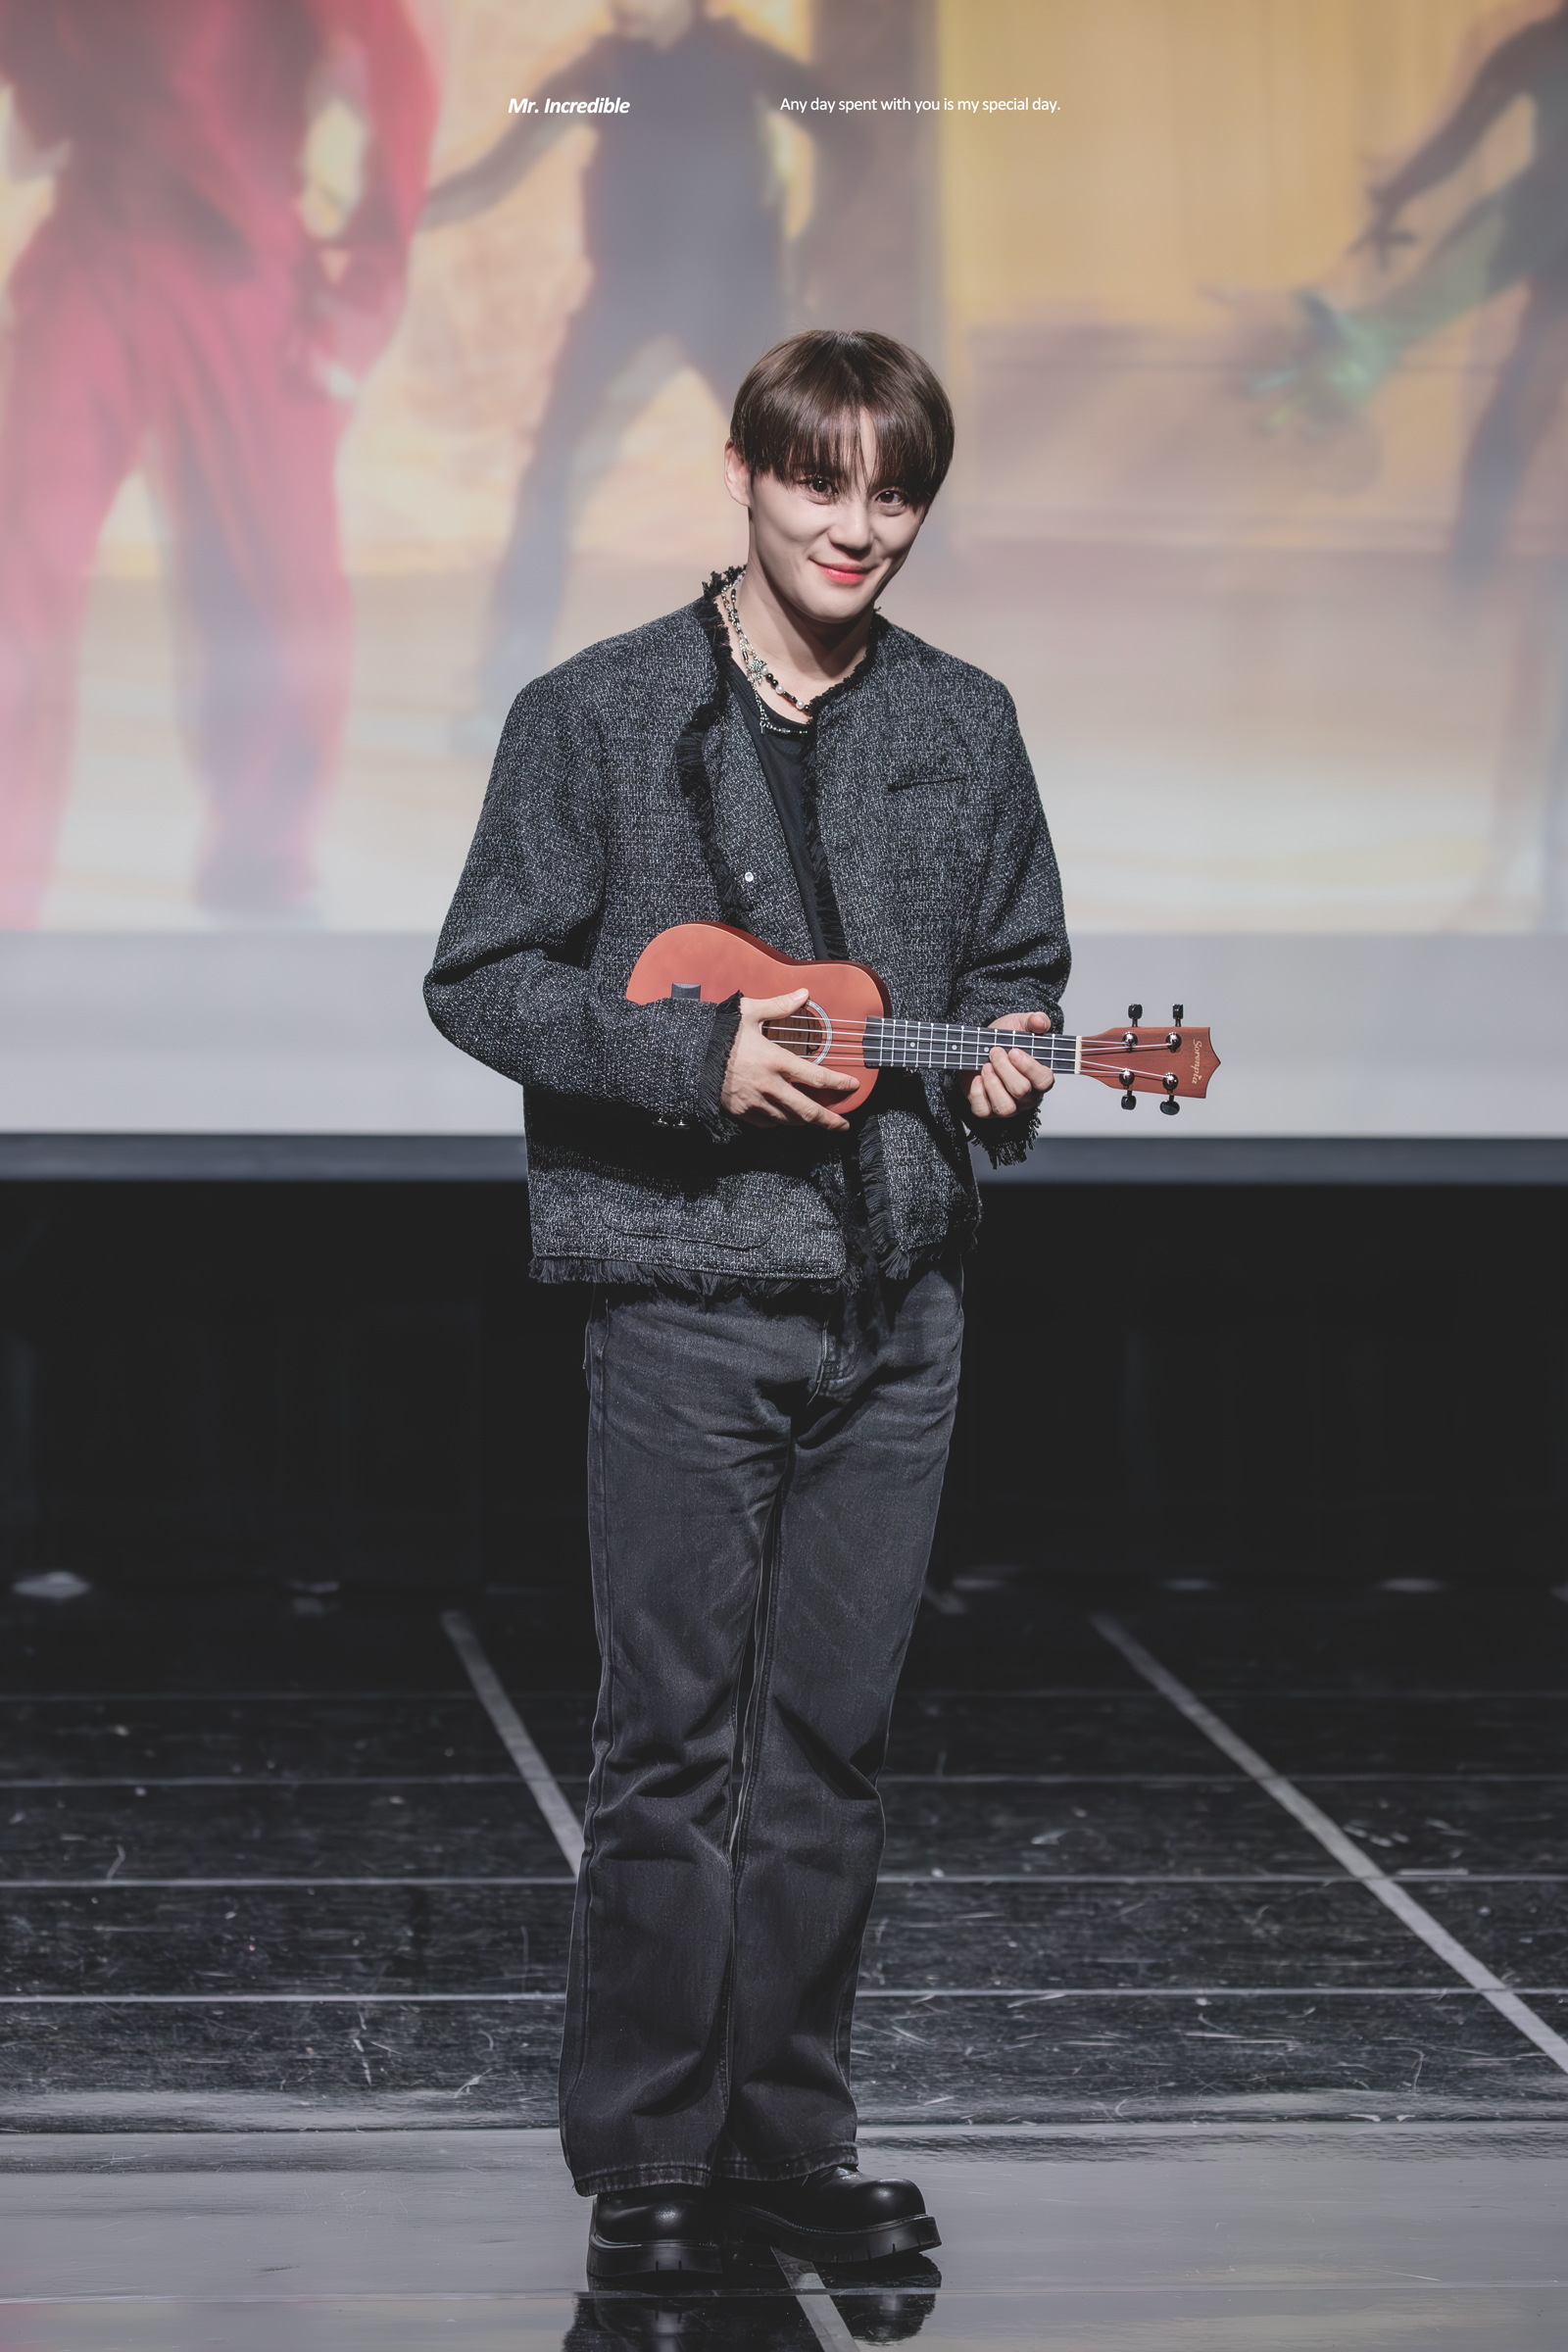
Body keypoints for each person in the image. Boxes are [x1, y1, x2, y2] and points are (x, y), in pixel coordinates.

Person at [425, 329, 1068, 2278]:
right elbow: (483, 977)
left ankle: (789, 2138)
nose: (856, 526)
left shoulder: (963, 722)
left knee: (829, 1748)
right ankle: (647, 2153)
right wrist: (691, 1060)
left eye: (895, 494)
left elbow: (1019, 967)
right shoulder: (597, 712)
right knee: (672, 1745)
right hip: (687, 1293)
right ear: (742, 471)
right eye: (820, 481)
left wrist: (1007, 1065)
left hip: (898, 1307)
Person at [0, 0, 438, 926]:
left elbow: (395, 76)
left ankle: (265, 866)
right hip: (92, 247)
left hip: (242, 270)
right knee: (13, 564)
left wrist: (365, 291)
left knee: (277, 583)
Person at [421, 0, 835, 732]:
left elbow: (850, 136)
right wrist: (395, 218)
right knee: (551, 470)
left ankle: (829, 676)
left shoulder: (741, 59)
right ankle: (506, 674)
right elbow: (494, 173)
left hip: (733, 303)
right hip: (625, 300)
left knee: (795, 483)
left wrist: (809, 245)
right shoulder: (600, 71)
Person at [1254, 0, 1568, 583]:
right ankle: (1464, 590)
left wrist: (1394, 197)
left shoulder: (1534, 48)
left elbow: (1459, 139)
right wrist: (1394, 196)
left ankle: (1464, 592)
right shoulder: (1535, 49)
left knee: (1515, 411)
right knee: (1514, 412)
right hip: (1538, 235)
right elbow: (1459, 139)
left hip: (1534, 232)